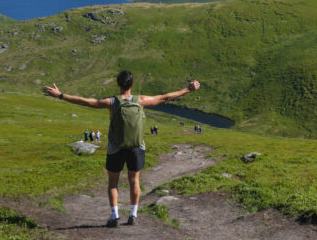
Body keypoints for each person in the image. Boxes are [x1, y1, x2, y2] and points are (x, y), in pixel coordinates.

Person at [43, 71, 200, 227]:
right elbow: (165, 97)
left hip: (116, 147)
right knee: (134, 180)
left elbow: (86, 102)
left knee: (113, 182)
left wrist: (61, 95)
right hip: (136, 147)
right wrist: (187, 89)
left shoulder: (111, 102)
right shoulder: (141, 100)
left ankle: (115, 215)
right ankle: (133, 214)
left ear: (118, 84)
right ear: (131, 84)